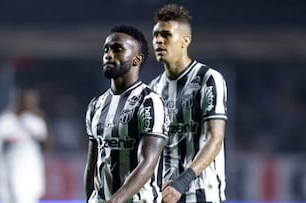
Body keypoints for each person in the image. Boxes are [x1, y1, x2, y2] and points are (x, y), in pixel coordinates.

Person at [150, 4, 228, 203]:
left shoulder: (208, 79)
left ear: (185, 40)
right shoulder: (154, 88)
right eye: (156, 34)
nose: (158, 40)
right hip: (167, 195)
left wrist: (183, 182)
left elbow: (215, 138)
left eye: (166, 35)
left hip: (203, 194)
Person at [84, 25, 169, 203]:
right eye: (106, 49)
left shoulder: (149, 102)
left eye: (117, 49)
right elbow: (92, 165)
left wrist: (117, 200)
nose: (108, 54)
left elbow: (148, 161)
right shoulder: (96, 105)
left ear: (137, 59)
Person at [0, 87, 49, 203]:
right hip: (8, 183)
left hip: (32, 181)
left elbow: (48, 145)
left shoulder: (36, 122)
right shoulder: (0, 124)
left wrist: (43, 119)